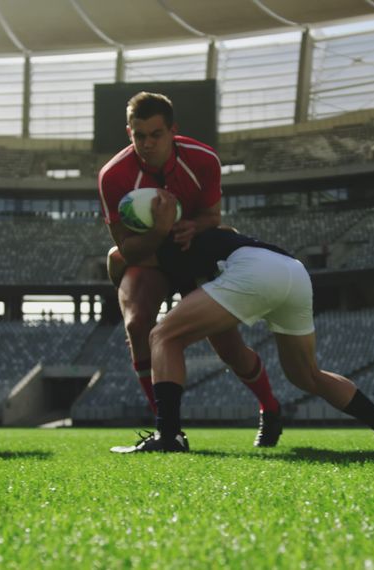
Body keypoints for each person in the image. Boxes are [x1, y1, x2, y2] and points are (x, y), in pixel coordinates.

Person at [112, 196, 374, 453]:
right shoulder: (207, 235)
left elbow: (120, 257)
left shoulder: (167, 244)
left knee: (163, 336)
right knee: (307, 375)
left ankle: (169, 436)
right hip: (292, 271)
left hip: (253, 272)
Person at [99, 92, 283, 447]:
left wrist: (193, 227)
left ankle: (270, 407)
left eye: (156, 134)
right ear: (129, 133)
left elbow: (214, 218)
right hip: (150, 258)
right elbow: (127, 249)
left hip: (194, 254)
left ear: (173, 131)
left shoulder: (203, 159)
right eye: (139, 136)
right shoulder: (113, 176)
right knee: (138, 325)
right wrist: (158, 230)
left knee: (228, 347)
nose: (147, 144)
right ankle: (167, 430)